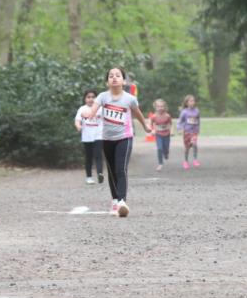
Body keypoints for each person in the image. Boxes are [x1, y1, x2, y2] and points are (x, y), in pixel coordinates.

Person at [83, 67, 150, 217]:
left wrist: (145, 126)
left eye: (118, 75)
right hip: (107, 139)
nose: (114, 78)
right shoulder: (102, 97)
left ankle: (122, 202)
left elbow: (137, 113)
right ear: (107, 82)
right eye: (111, 76)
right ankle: (114, 201)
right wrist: (88, 114)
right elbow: (93, 110)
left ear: (123, 81)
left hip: (124, 138)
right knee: (112, 171)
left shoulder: (129, 99)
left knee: (121, 169)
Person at [74, 89, 104, 184]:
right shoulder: (82, 109)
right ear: (85, 99)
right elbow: (77, 120)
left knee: (98, 155)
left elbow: (108, 120)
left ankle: (100, 173)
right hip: (87, 137)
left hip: (99, 136)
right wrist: (78, 126)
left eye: (93, 97)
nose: (91, 99)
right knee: (88, 157)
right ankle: (89, 177)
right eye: (88, 97)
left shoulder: (101, 109)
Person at [178, 94, 201, 169]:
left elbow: (198, 121)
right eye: (191, 101)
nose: (192, 102)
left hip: (194, 132)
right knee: (187, 148)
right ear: (187, 103)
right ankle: (185, 161)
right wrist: (179, 129)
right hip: (187, 132)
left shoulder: (197, 111)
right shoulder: (184, 112)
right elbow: (180, 121)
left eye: (193, 101)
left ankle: (195, 160)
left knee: (194, 144)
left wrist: (198, 129)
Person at [151, 99, 174, 171]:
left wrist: (172, 131)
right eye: (158, 106)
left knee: (166, 148)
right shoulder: (154, 116)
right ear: (155, 107)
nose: (160, 108)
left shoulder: (167, 116)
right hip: (158, 134)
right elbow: (151, 124)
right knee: (159, 148)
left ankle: (166, 153)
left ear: (164, 107)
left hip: (167, 134)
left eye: (162, 106)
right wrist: (153, 130)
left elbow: (171, 124)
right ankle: (160, 163)